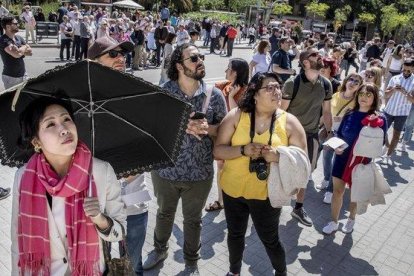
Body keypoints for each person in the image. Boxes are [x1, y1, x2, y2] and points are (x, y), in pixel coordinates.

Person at [11, 97, 126, 274]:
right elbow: (17, 242)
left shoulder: (101, 171)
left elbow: (120, 233)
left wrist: (99, 219)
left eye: (66, 119)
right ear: (36, 142)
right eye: (50, 125)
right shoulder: (24, 176)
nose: (64, 129)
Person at [142, 43, 227, 275]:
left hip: (199, 174)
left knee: (193, 220)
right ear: (179, 66)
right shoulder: (164, 93)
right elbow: (152, 129)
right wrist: (180, 125)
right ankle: (159, 250)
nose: (200, 61)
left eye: (201, 57)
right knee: (164, 213)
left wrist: (207, 128)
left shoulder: (215, 95)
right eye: (193, 58)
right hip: (165, 172)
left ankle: (191, 261)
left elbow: (225, 131)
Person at [214, 72, 307, 276]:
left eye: (278, 87)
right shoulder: (237, 115)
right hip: (233, 191)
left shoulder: (290, 122)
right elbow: (218, 150)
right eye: (269, 88)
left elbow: (303, 165)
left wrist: (277, 157)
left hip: (266, 195)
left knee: (270, 239)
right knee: (235, 234)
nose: (276, 92)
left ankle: (281, 272)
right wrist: (242, 150)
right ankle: (234, 272)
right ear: (255, 94)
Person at [322, 84, 387, 234]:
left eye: (368, 95)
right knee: (337, 191)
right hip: (341, 157)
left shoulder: (380, 118)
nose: (364, 97)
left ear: (374, 98)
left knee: (355, 192)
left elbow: (381, 142)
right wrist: (336, 146)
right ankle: (333, 221)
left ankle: (351, 219)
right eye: (361, 94)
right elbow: (339, 134)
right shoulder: (350, 113)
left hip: (361, 161)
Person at [281, 48, 333, 227]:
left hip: (311, 136)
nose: (320, 57)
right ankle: (273, 205)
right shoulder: (291, 83)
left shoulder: (326, 84)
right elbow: (281, 112)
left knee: (306, 172)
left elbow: (326, 112)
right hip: (289, 136)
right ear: (305, 63)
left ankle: (298, 207)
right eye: (315, 56)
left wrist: (330, 132)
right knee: (282, 170)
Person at [205, 58, 249, 212]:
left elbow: (238, 117)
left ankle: (235, 200)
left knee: (235, 170)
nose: (225, 71)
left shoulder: (247, 92)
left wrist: (231, 97)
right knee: (221, 167)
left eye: (228, 68)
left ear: (235, 72)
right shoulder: (225, 86)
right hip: (223, 138)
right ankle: (221, 200)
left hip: (237, 139)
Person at [319, 73, 363, 204]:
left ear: (359, 86)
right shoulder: (336, 95)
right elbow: (327, 113)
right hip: (330, 130)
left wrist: (342, 119)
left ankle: (330, 190)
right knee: (326, 156)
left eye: (357, 82)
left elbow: (356, 119)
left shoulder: (357, 101)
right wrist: (319, 125)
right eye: (351, 79)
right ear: (346, 80)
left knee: (337, 161)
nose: (353, 82)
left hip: (344, 134)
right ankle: (326, 179)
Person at [382, 59, 414, 164]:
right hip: (389, 110)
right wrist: (394, 90)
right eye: (404, 70)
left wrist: (404, 92)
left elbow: (412, 100)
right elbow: (386, 94)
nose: (405, 72)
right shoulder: (395, 78)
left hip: (402, 113)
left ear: (413, 69)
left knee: (396, 135)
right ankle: (387, 146)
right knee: (382, 131)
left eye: (408, 71)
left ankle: (388, 155)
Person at [0, 16, 32, 89]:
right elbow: (16, 55)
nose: (18, 25)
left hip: (23, 74)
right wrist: (25, 47)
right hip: (11, 77)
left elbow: (30, 52)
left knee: (24, 98)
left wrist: (20, 49)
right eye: (15, 23)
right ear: (8, 26)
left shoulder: (19, 38)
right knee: (12, 99)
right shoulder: (3, 40)